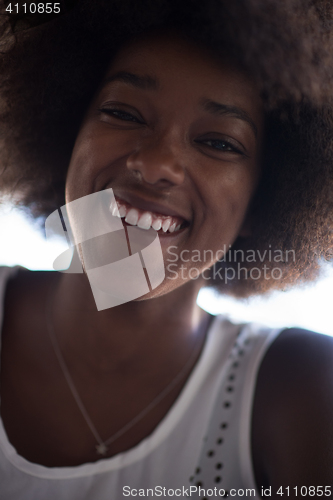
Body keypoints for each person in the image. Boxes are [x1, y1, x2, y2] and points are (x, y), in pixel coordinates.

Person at [0, 0, 333, 498]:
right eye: (122, 112)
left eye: (220, 143)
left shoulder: (299, 386)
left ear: (262, 202)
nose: (156, 162)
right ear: (69, 133)